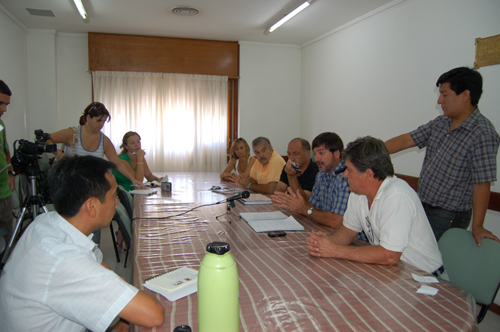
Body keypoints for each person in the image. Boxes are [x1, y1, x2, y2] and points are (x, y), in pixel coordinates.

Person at [0, 156, 165, 332]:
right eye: (113, 195)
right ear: (91, 207)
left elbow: (104, 272)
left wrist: (120, 294)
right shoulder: (65, 260)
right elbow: (154, 314)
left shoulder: (44, 222)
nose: (116, 203)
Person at [385, 67, 500, 246]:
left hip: (448, 217)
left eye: (444, 95)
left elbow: (482, 183)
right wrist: (371, 151)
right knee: (412, 257)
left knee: (430, 265)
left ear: (465, 95)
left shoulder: (482, 133)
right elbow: (408, 140)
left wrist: (478, 226)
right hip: (422, 205)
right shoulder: (442, 122)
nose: (440, 101)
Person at [306, 137, 443, 274]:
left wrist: (335, 250)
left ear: (368, 174)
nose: (345, 175)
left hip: (424, 275)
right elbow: (348, 231)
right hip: (394, 270)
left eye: (349, 170)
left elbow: (389, 256)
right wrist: (325, 242)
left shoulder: (397, 196)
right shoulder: (358, 192)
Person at [47, 102, 143, 245]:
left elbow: (116, 162)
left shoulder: (103, 140)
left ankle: (93, 255)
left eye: (104, 121)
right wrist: (58, 154)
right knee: (72, 228)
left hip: (91, 189)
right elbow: (47, 138)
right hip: (70, 189)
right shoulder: (72, 134)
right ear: (87, 118)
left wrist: (133, 179)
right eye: (99, 120)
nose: (101, 124)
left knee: (93, 225)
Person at [272, 132, 350, 229]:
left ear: (337, 153)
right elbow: (313, 207)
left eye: (321, 153)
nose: (317, 158)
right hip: (325, 228)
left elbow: (337, 221)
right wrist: (296, 204)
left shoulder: (346, 176)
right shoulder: (321, 175)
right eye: (315, 153)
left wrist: (304, 209)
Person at [0, 80, 15, 255]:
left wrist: (11, 173)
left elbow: (6, 151)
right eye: (0, 103)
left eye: (6, 105)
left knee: (6, 246)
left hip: (5, 194)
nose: (4, 109)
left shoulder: (1, 125)